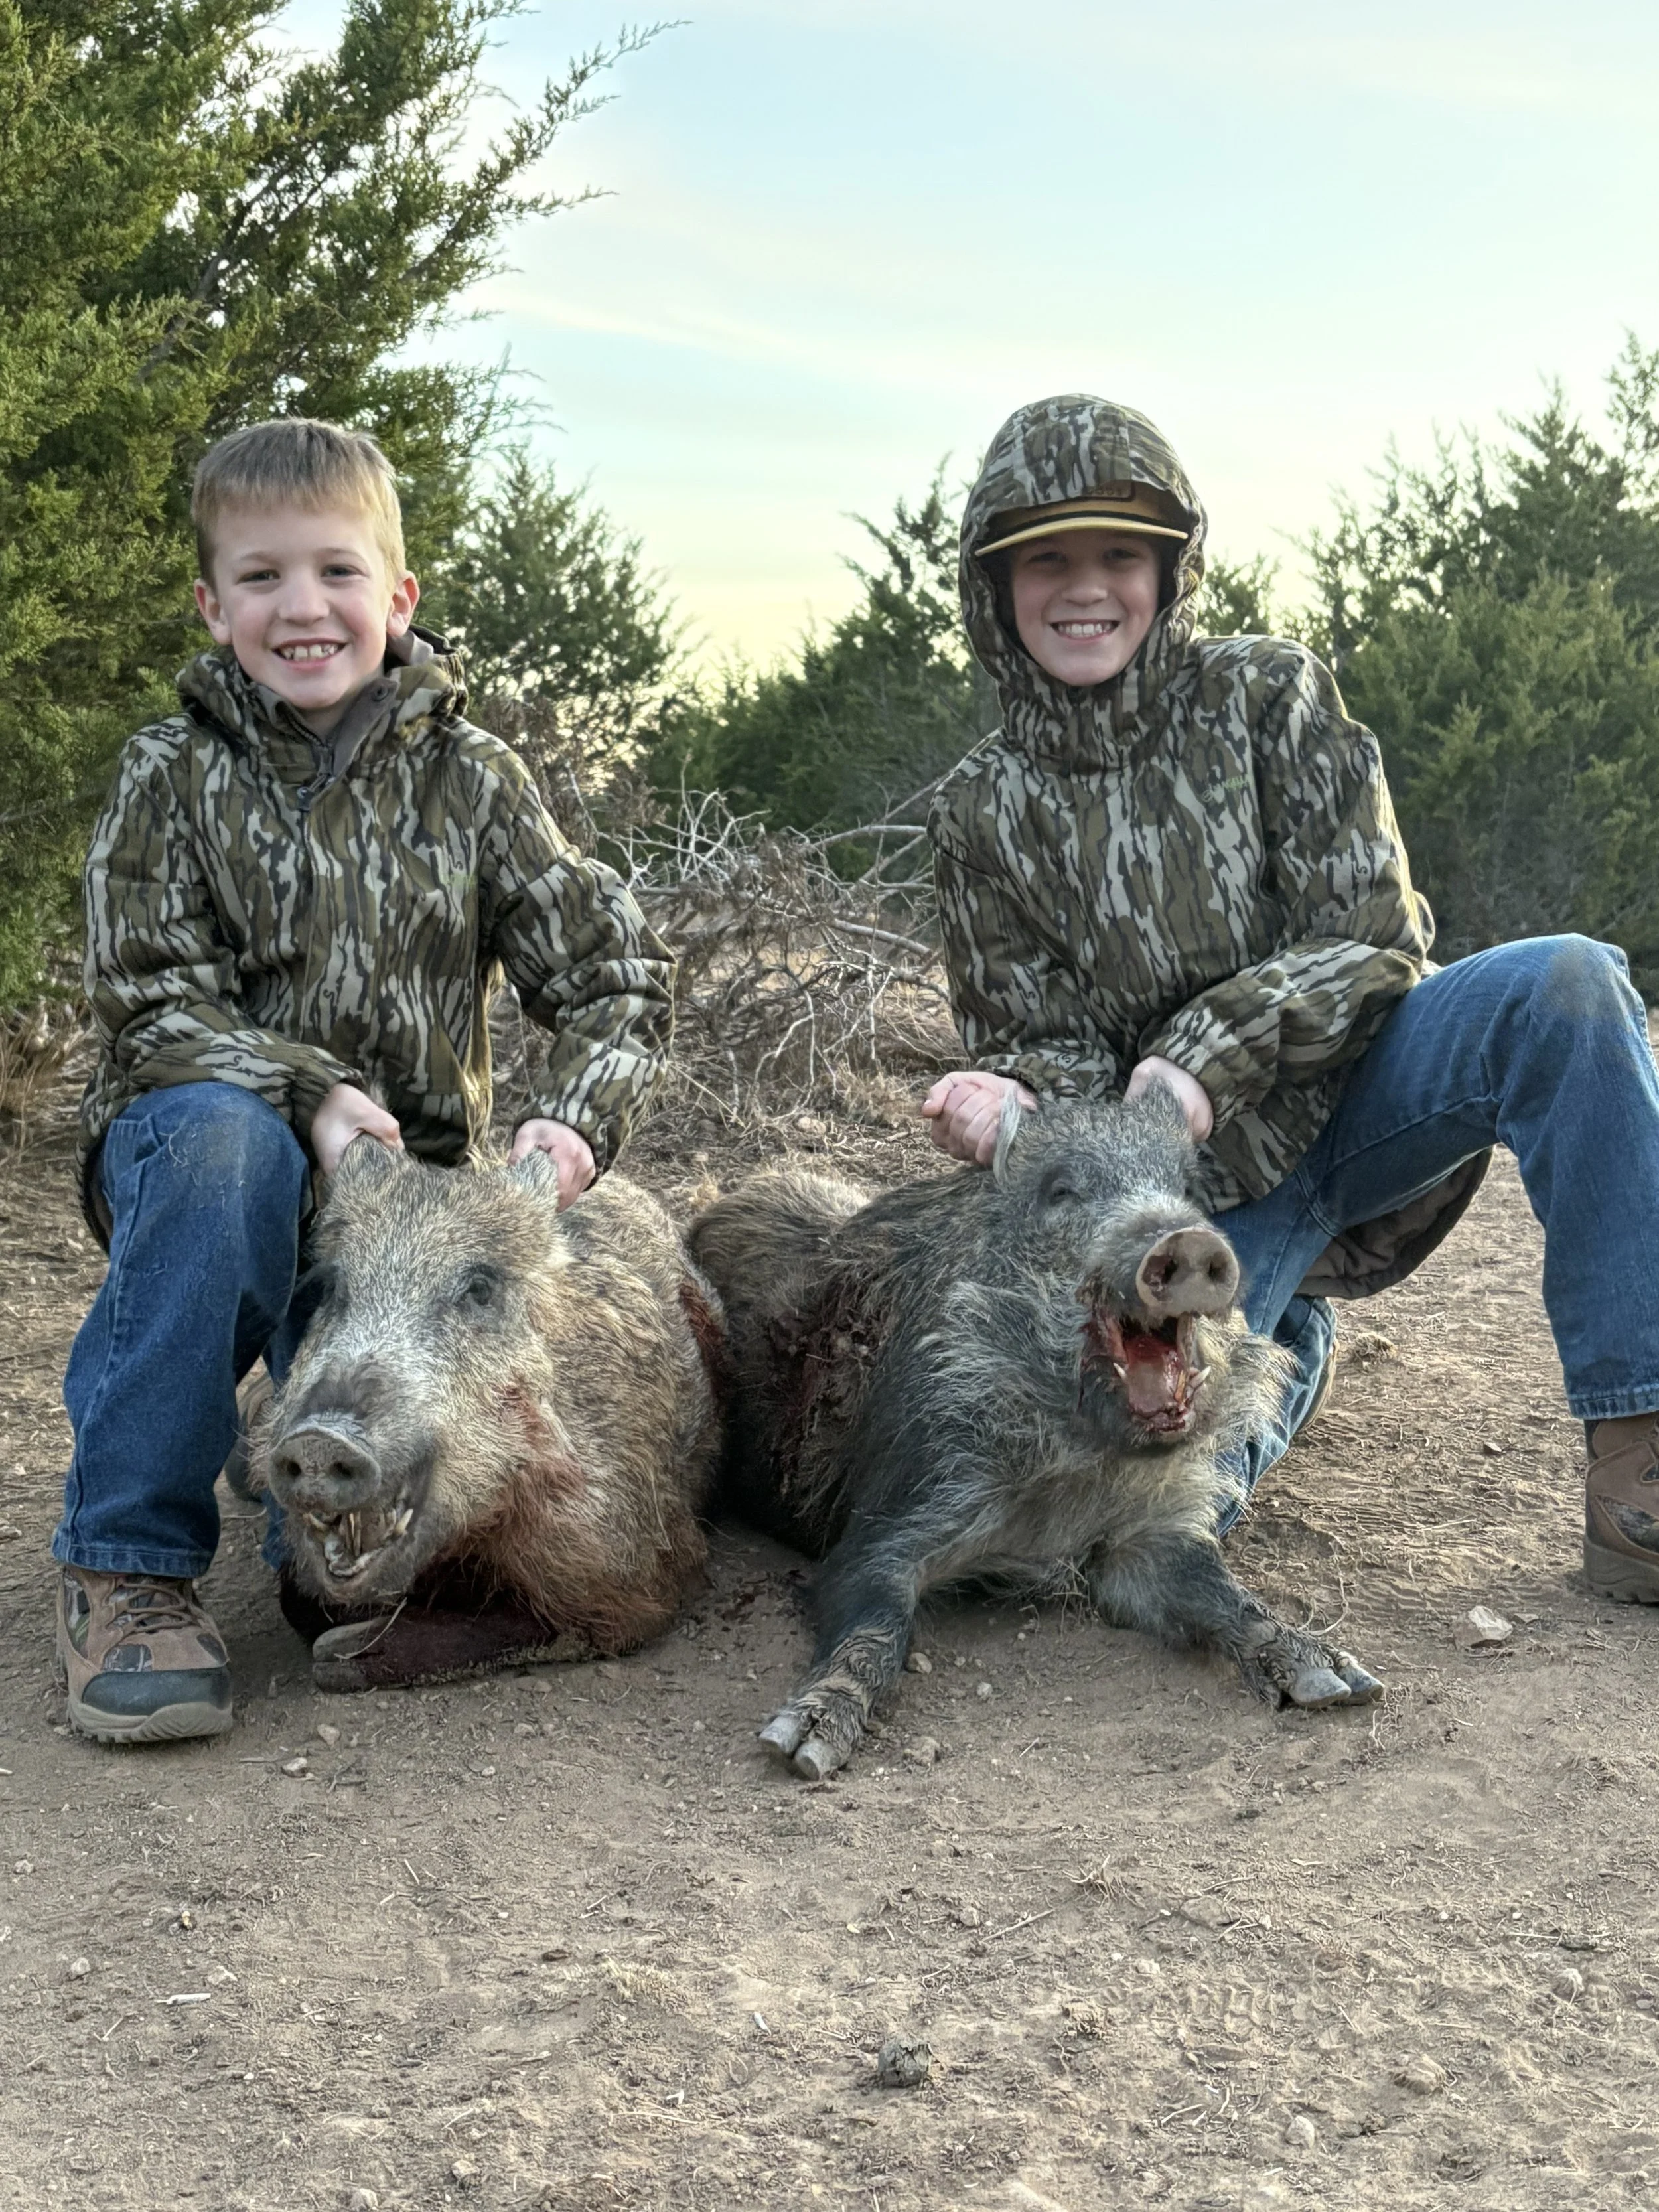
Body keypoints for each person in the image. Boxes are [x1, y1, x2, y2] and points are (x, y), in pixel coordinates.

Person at [922, 392, 1659, 1603]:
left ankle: (1642, 1460)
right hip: (1183, 1196)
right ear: (993, 587)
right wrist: (1013, 1112)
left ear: (1171, 568)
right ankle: (1285, 1338)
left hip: (1376, 1103)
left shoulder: (1270, 695)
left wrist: (1199, 1061)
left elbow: (1376, 937)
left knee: (1568, 982)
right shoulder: (975, 810)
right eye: (1045, 559)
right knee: (1134, 1532)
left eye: (1120, 552)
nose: (1085, 587)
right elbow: (1038, 1047)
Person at [54, 418, 674, 1743]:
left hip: (406, 1220)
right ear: (212, 606)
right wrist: (312, 1096)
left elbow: (616, 981)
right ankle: (129, 1566)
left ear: (396, 598)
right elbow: (148, 996)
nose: (303, 607)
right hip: (200, 1158)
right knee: (237, 1157)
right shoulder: (172, 774)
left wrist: (572, 1130)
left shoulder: (476, 779)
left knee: (320, 1579)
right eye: (263, 578)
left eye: (336, 572)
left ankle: (283, 1490)